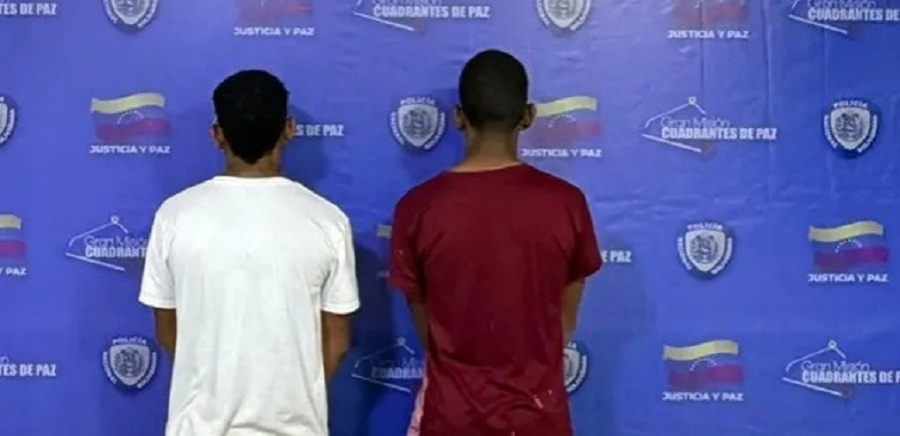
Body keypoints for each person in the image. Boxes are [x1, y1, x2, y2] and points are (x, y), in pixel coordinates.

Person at [389, 50, 603, 436]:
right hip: (538, 420)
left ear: (458, 117)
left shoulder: (417, 208)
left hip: (451, 420)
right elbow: (563, 322)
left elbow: (427, 329)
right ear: (528, 116)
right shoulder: (567, 204)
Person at [138, 70, 360, 436]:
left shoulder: (174, 216)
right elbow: (336, 344)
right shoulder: (328, 221)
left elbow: (168, 330)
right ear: (290, 129)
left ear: (216, 135)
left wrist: (214, 380)